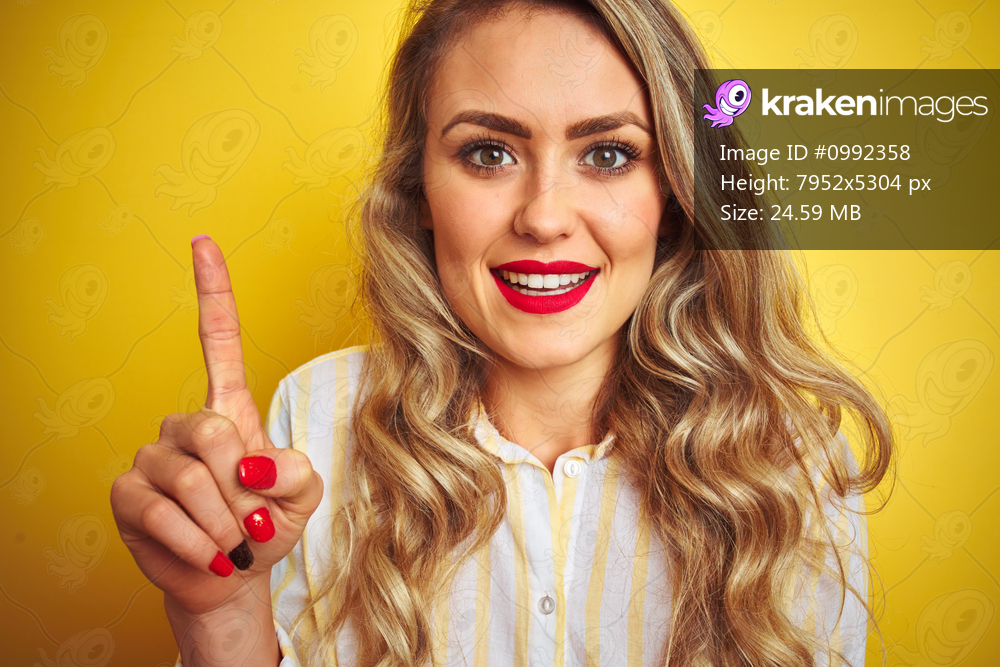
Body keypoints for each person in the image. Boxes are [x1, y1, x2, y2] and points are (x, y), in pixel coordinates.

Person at [110, 0, 895, 665]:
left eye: (609, 154)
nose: (545, 216)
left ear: (675, 194)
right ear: (419, 189)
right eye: (488, 153)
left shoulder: (788, 459)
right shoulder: (310, 426)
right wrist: (223, 618)